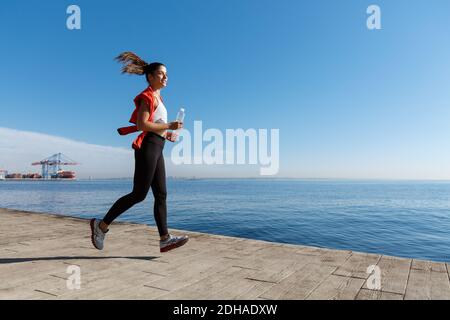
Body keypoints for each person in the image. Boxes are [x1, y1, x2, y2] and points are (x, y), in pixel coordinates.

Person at [90, 52, 189, 253]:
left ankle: (165, 239)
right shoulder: (147, 96)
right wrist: (169, 125)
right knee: (139, 194)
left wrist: (166, 133)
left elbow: (154, 125)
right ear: (150, 76)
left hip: (158, 145)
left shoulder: (159, 99)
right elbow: (142, 123)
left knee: (161, 194)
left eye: (167, 75)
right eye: (161, 74)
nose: (165, 77)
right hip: (148, 147)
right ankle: (101, 226)